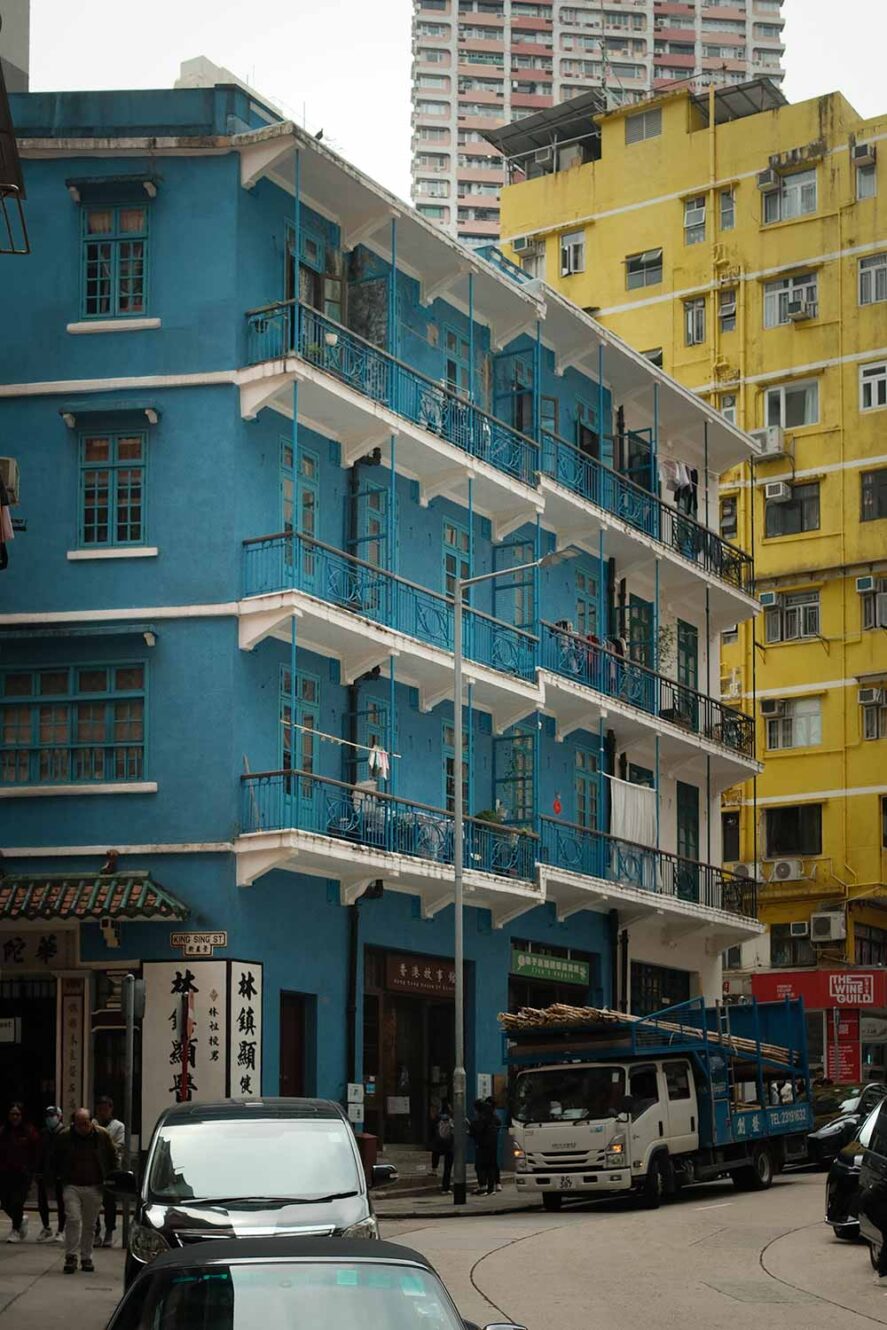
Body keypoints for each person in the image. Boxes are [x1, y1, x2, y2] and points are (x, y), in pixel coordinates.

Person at [49, 1108, 116, 1274]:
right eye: (79, 1124)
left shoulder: (101, 1135)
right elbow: (54, 1158)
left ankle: (87, 1257)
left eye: (85, 1123)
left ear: (91, 1122)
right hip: (71, 1185)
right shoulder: (65, 1136)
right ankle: (71, 1256)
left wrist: (112, 1178)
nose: (82, 1127)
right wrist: (54, 1178)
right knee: (73, 1219)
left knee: (90, 1224)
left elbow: (112, 1156)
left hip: (95, 1185)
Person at [0, 1102, 38, 1242]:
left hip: (23, 1173)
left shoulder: (29, 1132)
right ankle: (20, 1219)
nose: (14, 1117)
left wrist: (32, 1170)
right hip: (5, 1172)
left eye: (17, 1114)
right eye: (12, 1114)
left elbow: (35, 1152)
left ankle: (15, 1229)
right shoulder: (3, 1131)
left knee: (17, 1202)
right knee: (5, 1203)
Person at [93, 1096, 125, 1248]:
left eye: (105, 1109)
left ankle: (109, 1231)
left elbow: (119, 1146)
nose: (102, 1113)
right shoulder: (92, 1124)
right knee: (93, 1202)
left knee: (109, 1202)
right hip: (94, 1167)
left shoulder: (118, 1126)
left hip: (111, 1168)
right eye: (99, 1110)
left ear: (111, 1109)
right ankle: (96, 1231)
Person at [36, 1106, 66, 1243]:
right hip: (45, 1171)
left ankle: (61, 1230)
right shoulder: (43, 1133)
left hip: (61, 1172)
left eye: (52, 1115)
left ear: (59, 1116)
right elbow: (39, 1153)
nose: (50, 1118)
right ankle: (46, 1227)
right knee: (42, 1200)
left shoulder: (65, 1133)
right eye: (48, 1116)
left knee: (62, 1202)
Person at [469, 1099, 498, 1197]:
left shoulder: (480, 1119)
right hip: (492, 1144)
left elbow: (476, 1130)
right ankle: (491, 1188)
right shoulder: (491, 1116)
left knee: (480, 1166)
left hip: (483, 1145)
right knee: (490, 1166)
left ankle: (484, 1186)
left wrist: (470, 1129)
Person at [430, 1101, 454, 1194]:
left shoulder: (438, 1119)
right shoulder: (452, 1119)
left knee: (435, 1153)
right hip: (449, 1145)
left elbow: (433, 1129)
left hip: (439, 1143)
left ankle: (434, 1169)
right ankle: (446, 1188)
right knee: (448, 1168)